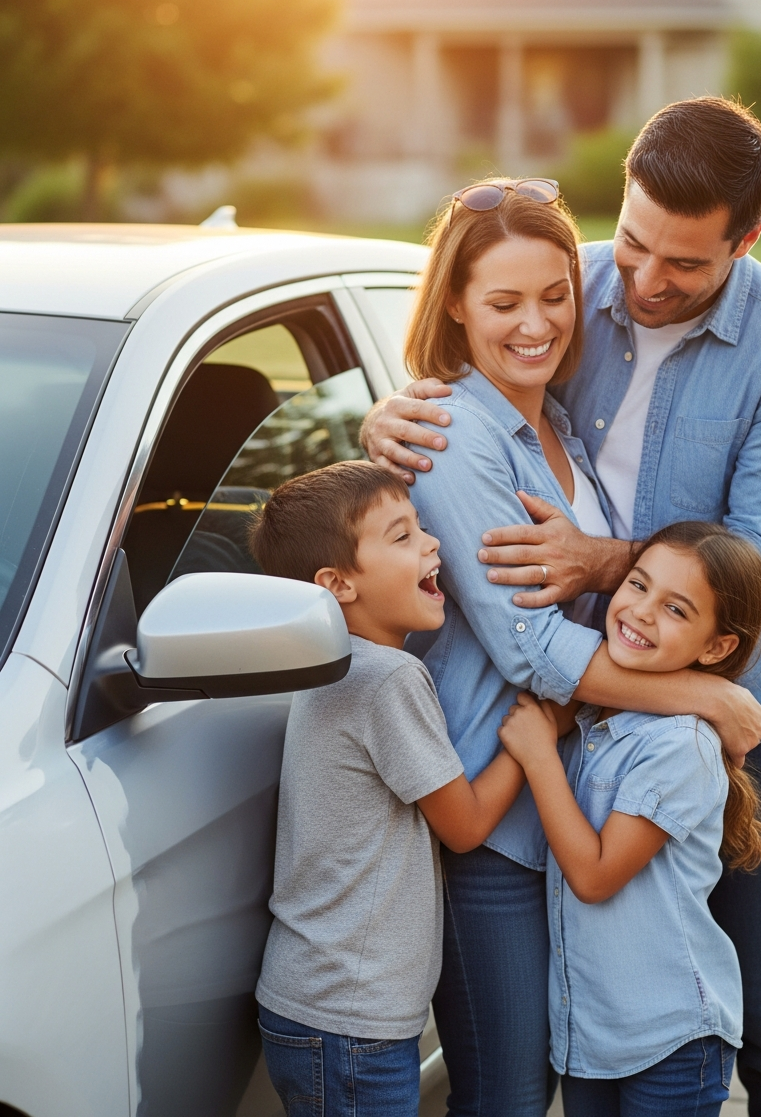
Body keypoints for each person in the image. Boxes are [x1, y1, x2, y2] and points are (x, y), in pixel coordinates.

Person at [363, 97, 761, 1115]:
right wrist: (388, 412)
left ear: (745, 238)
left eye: (683, 264)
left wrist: (602, 562)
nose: (639, 280)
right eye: (630, 242)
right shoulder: (563, 281)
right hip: (577, 741)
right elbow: (465, 384)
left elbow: (755, 559)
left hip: (736, 721)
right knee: (596, 1042)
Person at [250, 461, 528, 1117]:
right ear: (337, 583)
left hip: (325, 1009)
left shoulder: (337, 668)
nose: (433, 544)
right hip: (351, 1024)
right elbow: (462, 824)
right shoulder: (386, 680)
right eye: (402, 537)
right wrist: (531, 740)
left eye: (424, 527)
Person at [499, 521, 761, 1117]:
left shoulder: (680, 744)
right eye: (636, 584)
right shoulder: (596, 716)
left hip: (669, 1036)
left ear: (716, 647)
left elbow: (595, 877)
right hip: (593, 1034)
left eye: (676, 609)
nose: (642, 612)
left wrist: (540, 756)